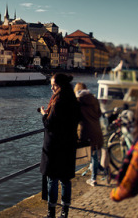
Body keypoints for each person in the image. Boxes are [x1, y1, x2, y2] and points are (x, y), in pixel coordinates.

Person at [40, 73, 81, 218]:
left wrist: (44, 114)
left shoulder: (57, 102)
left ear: (60, 85)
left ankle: (51, 213)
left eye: (54, 85)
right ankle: (65, 212)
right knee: (65, 179)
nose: (51, 87)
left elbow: (49, 124)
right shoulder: (74, 101)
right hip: (68, 145)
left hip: (55, 146)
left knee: (52, 179)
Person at [74, 82, 105, 186]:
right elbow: (99, 113)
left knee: (91, 155)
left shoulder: (77, 102)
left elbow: (75, 117)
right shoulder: (94, 99)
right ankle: (100, 171)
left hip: (85, 132)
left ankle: (93, 178)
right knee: (94, 154)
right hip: (96, 129)